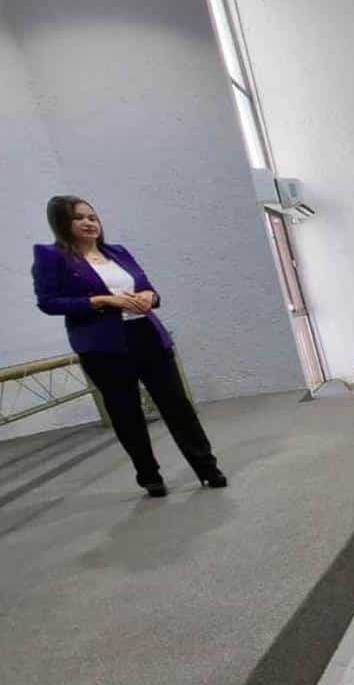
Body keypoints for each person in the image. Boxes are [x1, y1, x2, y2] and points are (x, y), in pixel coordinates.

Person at [31, 196, 226, 497]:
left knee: (177, 405)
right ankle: (149, 475)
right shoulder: (52, 257)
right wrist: (103, 300)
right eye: (78, 218)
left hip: (145, 334)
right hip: (102, 345)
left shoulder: (117, 252)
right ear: (61, 223)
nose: (88, 223)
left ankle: (206, 468)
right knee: (126, 413)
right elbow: (48, 303)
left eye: (92, 217)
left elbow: (149, 288)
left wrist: (149, 296)